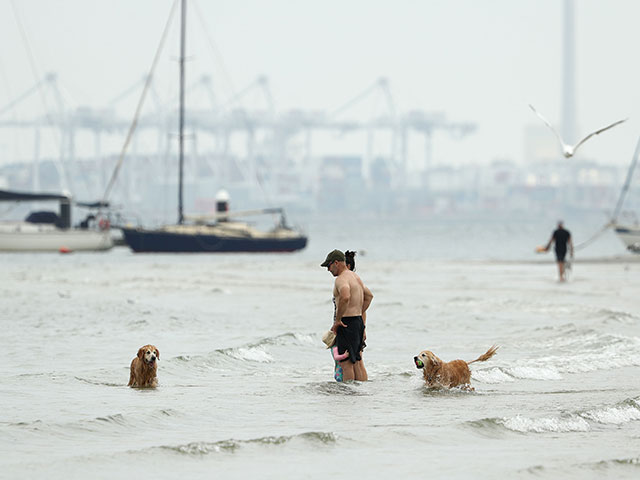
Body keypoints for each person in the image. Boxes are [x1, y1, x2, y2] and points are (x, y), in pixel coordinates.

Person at [321, 249, 373, 381]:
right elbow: (369, 296)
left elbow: (345, 296)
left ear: (336, 263)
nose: (328, 270)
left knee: (346, 364)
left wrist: (338, 320)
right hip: (357, 322)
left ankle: (348, 396)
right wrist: (359, 313)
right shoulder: (355, 277)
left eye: (328, 266)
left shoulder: (341, 279)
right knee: (357, 361)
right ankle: (361, 392)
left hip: (346, 323)